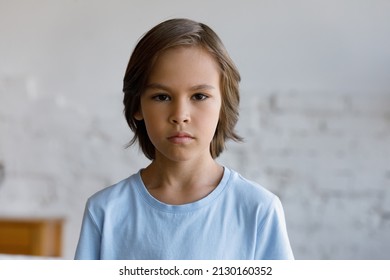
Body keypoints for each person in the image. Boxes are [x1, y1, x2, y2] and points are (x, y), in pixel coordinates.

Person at [74, 18, 294, 260]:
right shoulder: (105, 211)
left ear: (223, 104)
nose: (180, 116)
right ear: (137, 105)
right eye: (161, 97)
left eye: (199, 96)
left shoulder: (258, 210)